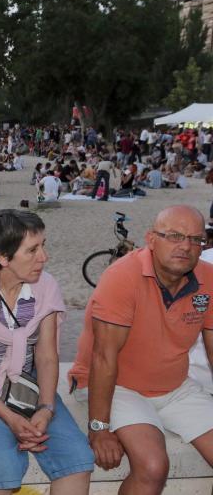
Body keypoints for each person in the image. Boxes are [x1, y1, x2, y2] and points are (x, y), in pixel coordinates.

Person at [68, 205, 213, 494]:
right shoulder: (123, 276)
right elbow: (103, 357)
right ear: (151, 239)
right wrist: (99, 428)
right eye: (174, 236)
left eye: (195, 239)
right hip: (118, 386)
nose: (185, 246)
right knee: (152, 466)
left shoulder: (208, 278)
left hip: (174, 386)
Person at [0, 209, 94, 494]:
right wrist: (10, 417)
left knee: (77, 458)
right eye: (33, 250)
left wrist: (46, 409)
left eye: (44, 245)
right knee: (2, 464)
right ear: (3, 257)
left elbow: (47, 356)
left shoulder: (46, 286)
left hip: (28, 381)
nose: (44, 257)